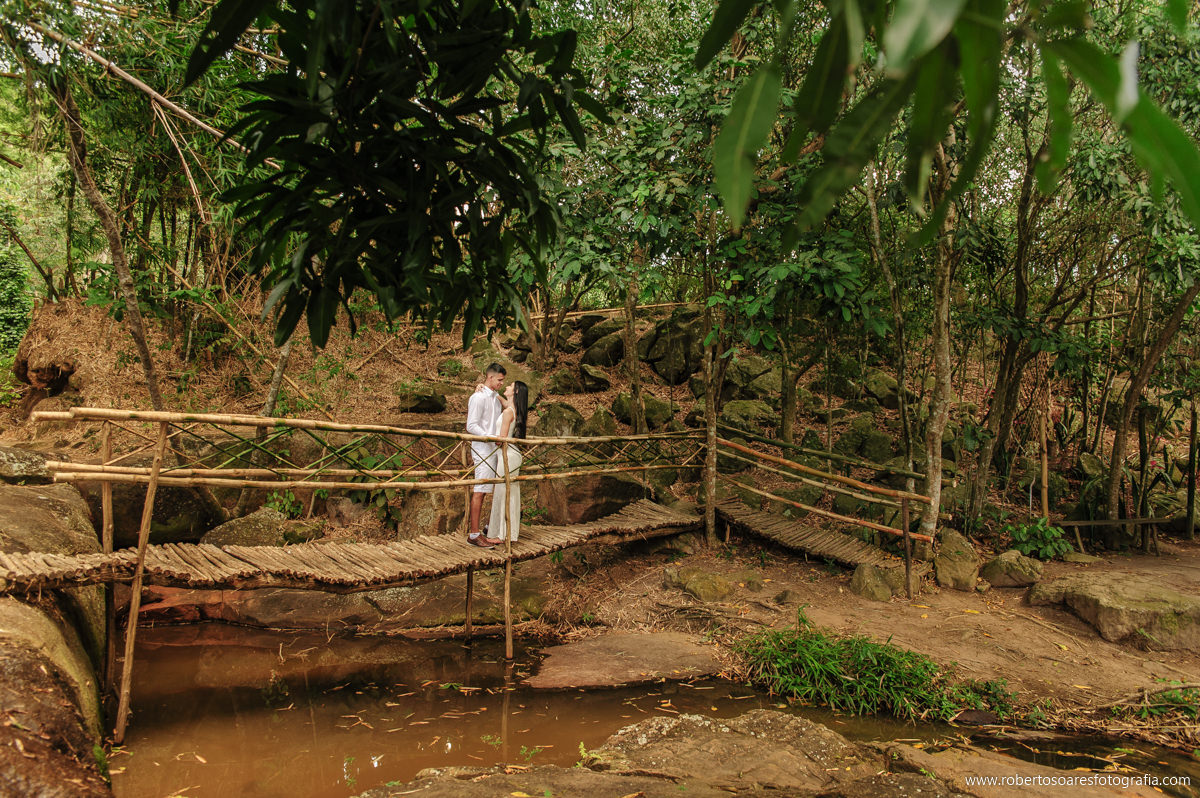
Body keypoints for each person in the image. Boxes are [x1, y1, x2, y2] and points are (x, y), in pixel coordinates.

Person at [466, 362, 505, 547]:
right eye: (499, 380)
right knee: (480, 490)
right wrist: (490, 437)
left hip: (493, 449)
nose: (501, 384)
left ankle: (490, 528)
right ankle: (474, 534)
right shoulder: (478, 397)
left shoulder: (496, 398)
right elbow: (471, 425)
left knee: (493, 488)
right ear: (490, 377)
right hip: (482, 448)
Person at [486, 381, 527, 546]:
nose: (507, 388)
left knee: (504, 491)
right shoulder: (513, 409)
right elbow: (503, 400)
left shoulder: (508, 413)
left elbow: (501, 439)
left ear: (515, 391)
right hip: (512, 454)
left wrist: (487, 438)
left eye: (510, 386)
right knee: (510, 490)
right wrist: (487, 388)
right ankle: (508, 532)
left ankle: (502, 534)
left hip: (507, 455)